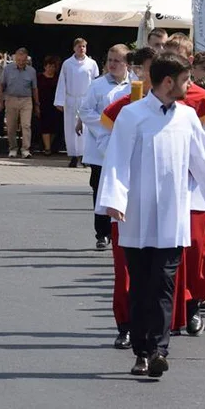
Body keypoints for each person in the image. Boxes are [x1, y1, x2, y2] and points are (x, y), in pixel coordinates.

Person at [98, 53, 205, 378]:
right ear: (168, 82)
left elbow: (202, 158)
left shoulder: (187, 117)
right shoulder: (131, 116)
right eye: (186, 80)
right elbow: (116, 160)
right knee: (141, 288)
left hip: (172, 219)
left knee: (164, 285)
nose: (190, 87)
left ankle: (159, 350)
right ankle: (141, 351)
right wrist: (114, 199)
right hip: (135, 219)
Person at [164, 33, 205, 336]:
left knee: (201, 256)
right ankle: (178, 310)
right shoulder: (152, 100)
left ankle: (193, 303)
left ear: (189, 62)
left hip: (195, 189)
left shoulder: (204, 101)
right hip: (164, 189)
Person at [99, 47, 157, 349]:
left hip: (159, 203)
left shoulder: (176, 110)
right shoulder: (123, 107)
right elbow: (109, 150)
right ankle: (125, 324)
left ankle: (156, 330)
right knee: (125, 271)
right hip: (128, 199)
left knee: (156, 273)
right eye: (146, 71)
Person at [78, 44, 133, 251]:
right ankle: (102, 233)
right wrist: (106, 125)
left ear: (126, 63)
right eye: (109, 60)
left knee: (122, 187)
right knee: (100, 189)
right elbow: (85, 111)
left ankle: (120, 229)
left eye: (116, 60)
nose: (112, 64)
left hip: (126, 145)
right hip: (100, 146)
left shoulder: (134, 85)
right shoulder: (97, 85)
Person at [54, 38, 100, 168]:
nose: (82, 49)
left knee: (85, 129)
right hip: (71, 99)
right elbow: (62, 82)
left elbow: (95, 82)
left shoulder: (91, 63)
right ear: (74, 48)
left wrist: (95, 100)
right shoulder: (67, 64)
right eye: (79, 46)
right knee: (70, 128)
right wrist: (60, 101)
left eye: (84, 46)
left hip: (85, 99)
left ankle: (85, 156)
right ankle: (73, 155)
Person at [0, 47, 39, 159]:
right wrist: (0, 100)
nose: (21, 63)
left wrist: (37, 104)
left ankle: (25, 150)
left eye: (23, 60)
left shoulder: (32, 71)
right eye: (19, 60)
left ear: (27, 60)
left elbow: (34, 88)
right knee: (11, 126)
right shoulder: (8, 69)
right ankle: (13, 148)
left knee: (26, 125)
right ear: (15, 59)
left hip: (26, 100)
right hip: (11, 98)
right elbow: (1, 84)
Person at [37, 56, 63, 155]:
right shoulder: (39, 77)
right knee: (45, 127)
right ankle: (47, 148)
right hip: (43, 104)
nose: (51, 68)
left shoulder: (58, 78)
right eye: (49, 66)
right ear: (45, 67)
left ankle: (48, 145)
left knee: (55, 128)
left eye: (53, 66)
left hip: (55, 105)